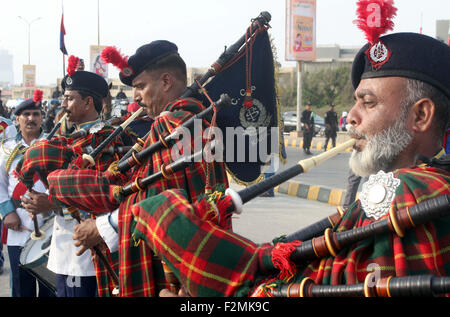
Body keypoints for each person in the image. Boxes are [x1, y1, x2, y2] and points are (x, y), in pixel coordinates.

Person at [118, 23, 450, 297]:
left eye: (368, 102)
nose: (351, 116)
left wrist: (170, 224)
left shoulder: (406, 193)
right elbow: (319, 273)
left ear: (420, 115)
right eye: (355, 102)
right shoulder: (427, 186)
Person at [45, 40, 229, 297]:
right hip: (196, 264)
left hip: (183, 273)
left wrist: (103, 226)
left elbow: (156, 202)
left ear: (166, 82)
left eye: (141, 86)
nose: (136, 97)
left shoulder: (174, 125)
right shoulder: (191, 119)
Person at [18, 66, 126, 297]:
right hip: (68, 247)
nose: (64, 105)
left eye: (69, 98)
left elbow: (103, 196)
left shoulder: (106, 141)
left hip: (90, 251)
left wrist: (51, 202)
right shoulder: (65, 141)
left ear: (88, 102)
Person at [0, 91, 55, 297]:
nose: (31, 119)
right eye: (26, 115)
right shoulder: (6, 150)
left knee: (50, 287)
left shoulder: (53, 144)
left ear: (42, 117)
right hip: (19, 225)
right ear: (18, 119)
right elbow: (0, 184)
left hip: (50, 224)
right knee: (22, 288)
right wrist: (7, 213)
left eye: (35, 114)